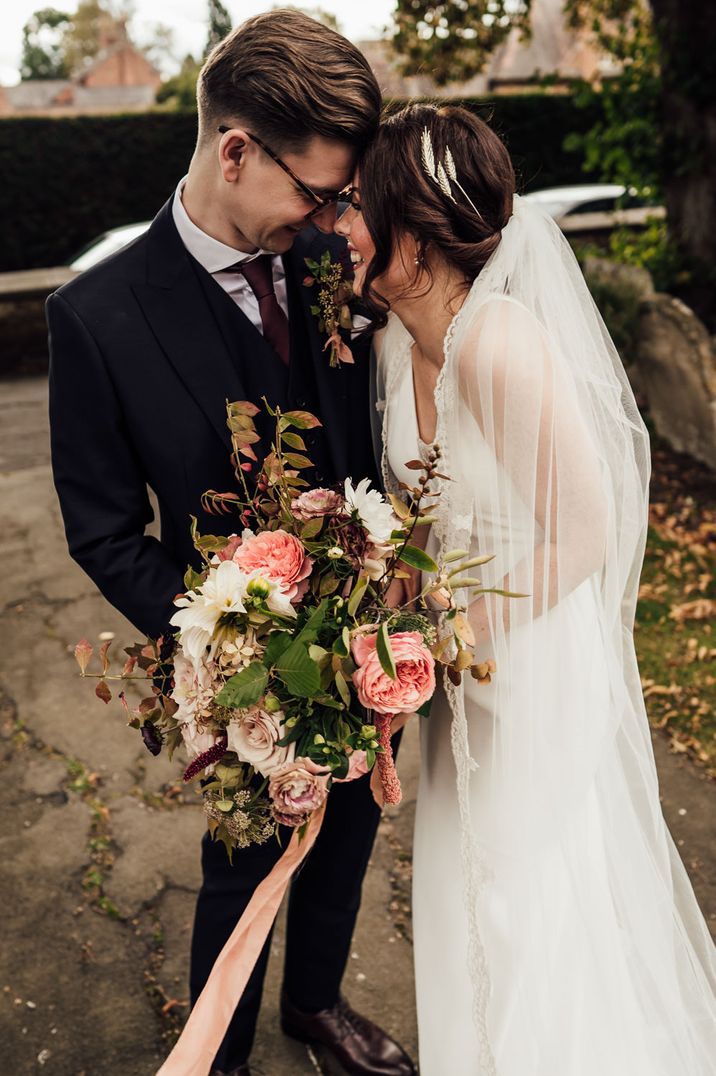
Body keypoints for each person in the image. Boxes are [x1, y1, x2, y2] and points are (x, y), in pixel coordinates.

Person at [47, 12, 415, 1076]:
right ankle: (222, 1053)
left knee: (349, 835)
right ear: (235, 149)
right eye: (316, 190)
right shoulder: (96, 314)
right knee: (243, 857)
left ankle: (315, 1003)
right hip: (236, 667)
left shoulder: (327, 267)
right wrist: (229, 643)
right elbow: (104, 530)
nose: (333, 214)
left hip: (367, 642)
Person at [336, 101, 716, 1075]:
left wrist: (442, 633)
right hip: (457, 675)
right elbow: (416, 517)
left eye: (354, 208)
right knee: (465, 888)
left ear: (411, 233)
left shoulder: (495, 344)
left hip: (533, 663)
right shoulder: (390, 342)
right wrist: (377, 630)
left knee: (526, 906)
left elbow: (585, 530)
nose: (338, 226)